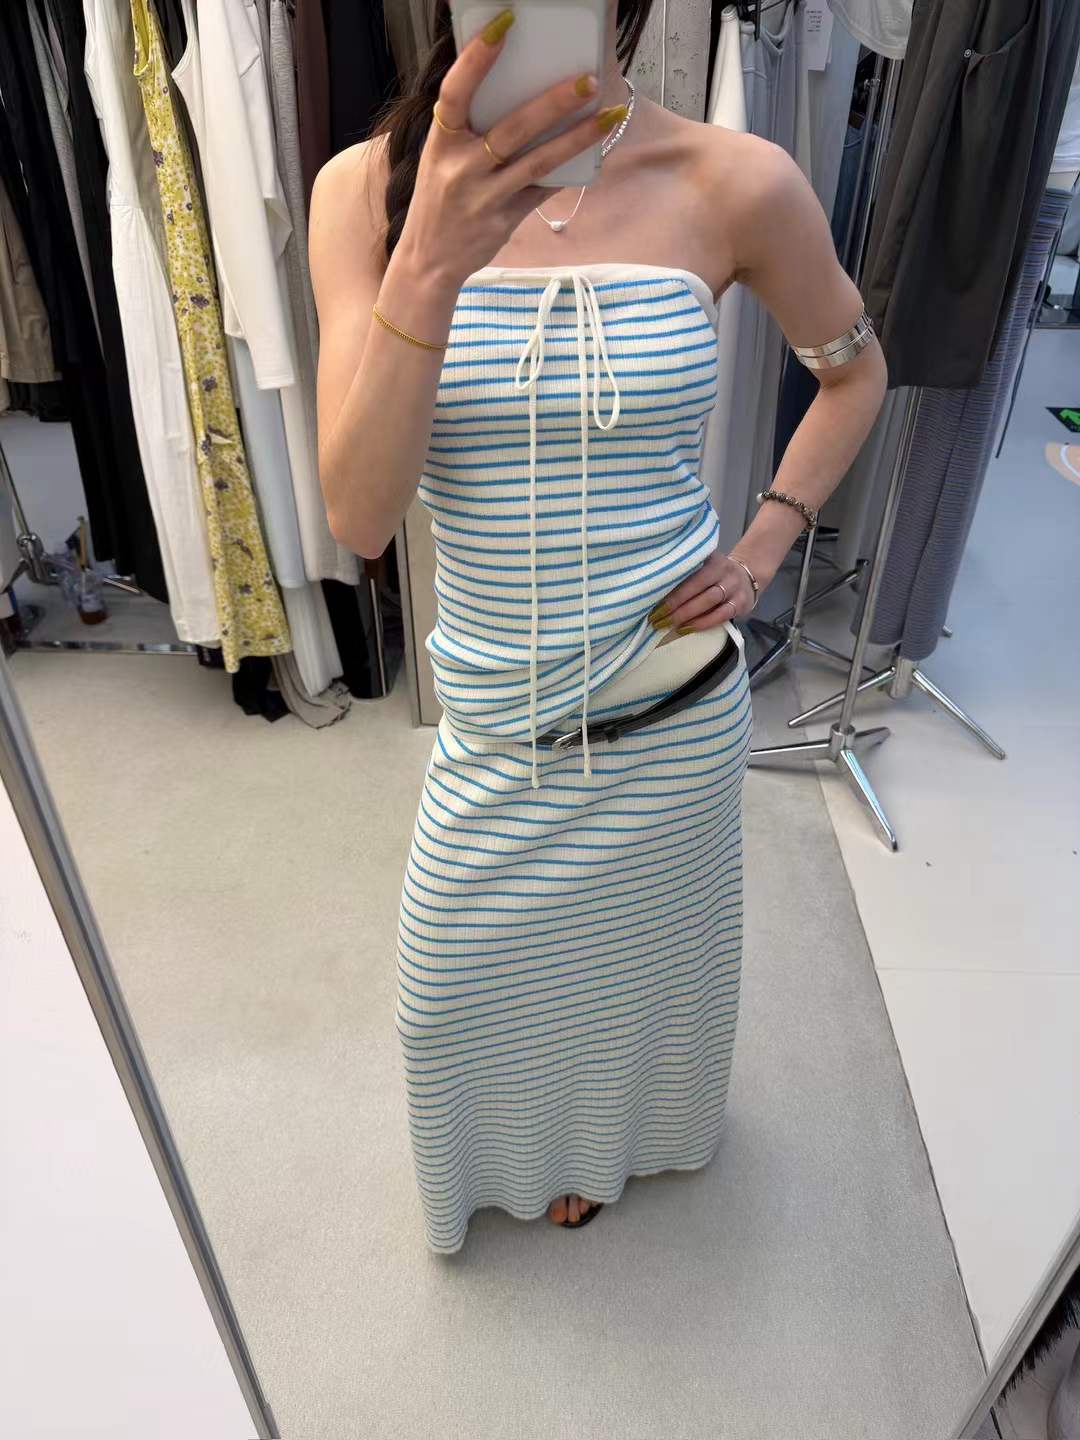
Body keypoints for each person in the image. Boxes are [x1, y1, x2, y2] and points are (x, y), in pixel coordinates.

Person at [310, 0, 887, 1254]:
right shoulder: (365, 191)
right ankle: (517, 1149)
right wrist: (430, 260)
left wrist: (765, 542)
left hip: (672, 714)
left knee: (634, 973)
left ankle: (602, 1140)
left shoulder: (734, 179)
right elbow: (359, 514)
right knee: (449, 993)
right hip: (497, 729)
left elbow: (855, 370)